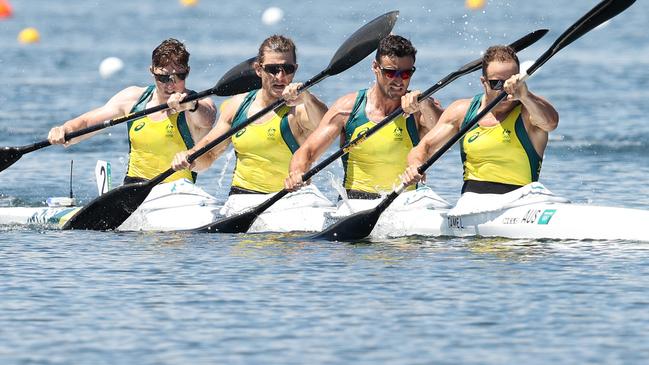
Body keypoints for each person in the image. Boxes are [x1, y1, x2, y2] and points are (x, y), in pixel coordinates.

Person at [285, 35, 443, 199]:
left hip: (404, 201)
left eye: (405, 74)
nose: (398, 81)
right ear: (375, 67)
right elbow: (308, 151)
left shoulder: (421, 109)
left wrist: (425, 103)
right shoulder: (347, 109)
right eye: (390, 73)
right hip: (356, 201)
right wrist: (297, 173)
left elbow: (447, 131)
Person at [171, 34, 327, 195]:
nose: (280, 77)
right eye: (273, 69)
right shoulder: (237, 105)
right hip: (243, 197)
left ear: (296, 69)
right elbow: (209, 154)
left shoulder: (301, 109)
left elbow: (327, 126)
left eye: (288, 69)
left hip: (290, 197)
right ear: (259, 69)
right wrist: (190, 158)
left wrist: (308, 97)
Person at [48, 38, 216, 184]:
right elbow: (86, 123)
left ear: (187, 72)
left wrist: (189, 105)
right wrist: (65, 129)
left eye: (178, 77)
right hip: (134, 191)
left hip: (179, 192)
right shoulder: (134, 99)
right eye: (163, 78)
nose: (170, 85)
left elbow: (208, 118)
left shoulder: (199, 103)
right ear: (152, 71)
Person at [401, 45, 559, 194]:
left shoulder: (529, 111)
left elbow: (551, 123)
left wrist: (526, 95)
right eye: (496, 83)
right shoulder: (462, 111)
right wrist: (415, 165)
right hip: (473, 202)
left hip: (520, 202)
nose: (504, 90)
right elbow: (424, 147)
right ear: (484, 82)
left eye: (510, 83)